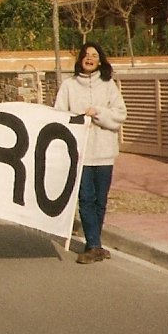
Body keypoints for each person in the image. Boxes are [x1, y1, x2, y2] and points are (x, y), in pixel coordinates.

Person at [54, 42, 127, 265]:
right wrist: (79, 118)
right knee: (85, 198)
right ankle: (93, 245)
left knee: (100, 200)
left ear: (100, 60)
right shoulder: (69, 86)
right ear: (80, 59)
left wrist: (99, 113)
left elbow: (120, 114)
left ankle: (94, 243)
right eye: (86, 55)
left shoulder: (108, 85)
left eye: (94, 56)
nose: (89, 59)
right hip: (81, 153)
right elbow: (60, 116)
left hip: (104, 152)